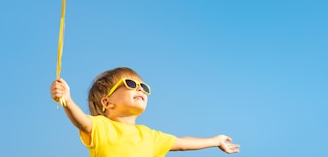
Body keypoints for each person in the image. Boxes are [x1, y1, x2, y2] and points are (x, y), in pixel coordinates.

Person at [49, 67, 240, 156]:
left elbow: (182, 143)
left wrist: (215, 141)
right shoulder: (102, 127)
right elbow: (81, 121)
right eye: (131, 84)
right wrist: (67, 100)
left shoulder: (149, 136)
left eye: (143, 86)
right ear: (107, 102)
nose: (140, 88)